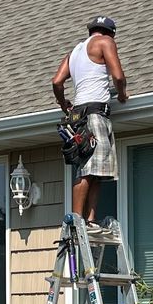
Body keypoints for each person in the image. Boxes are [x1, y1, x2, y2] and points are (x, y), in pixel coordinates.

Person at [52, 16, 127, 225]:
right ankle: (77, 220)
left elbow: (57, 81)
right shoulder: (105, 42)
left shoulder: (75, 52)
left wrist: (63, 103)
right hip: (94, 113)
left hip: (77, 116)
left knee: (96, 170)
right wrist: (121, 94)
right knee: (88, 169)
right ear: (110, 33)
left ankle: (90, 220)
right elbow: (118, 77)